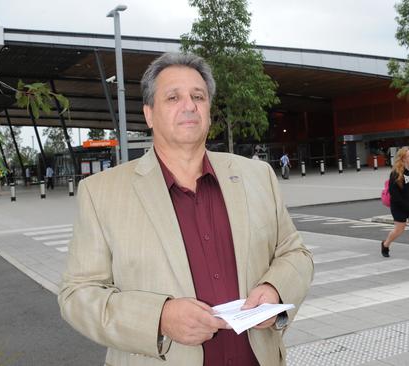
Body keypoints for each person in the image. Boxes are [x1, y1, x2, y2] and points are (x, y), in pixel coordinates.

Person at [58, 53, 313, 366]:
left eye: (198, 96)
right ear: (149, 114)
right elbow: (77, 294)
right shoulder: (101, 194)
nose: (189, 105)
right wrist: (160, 318)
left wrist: (275, 288)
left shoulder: (257, 177)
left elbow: (295, 253)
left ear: (208, 110)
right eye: (173, 97)